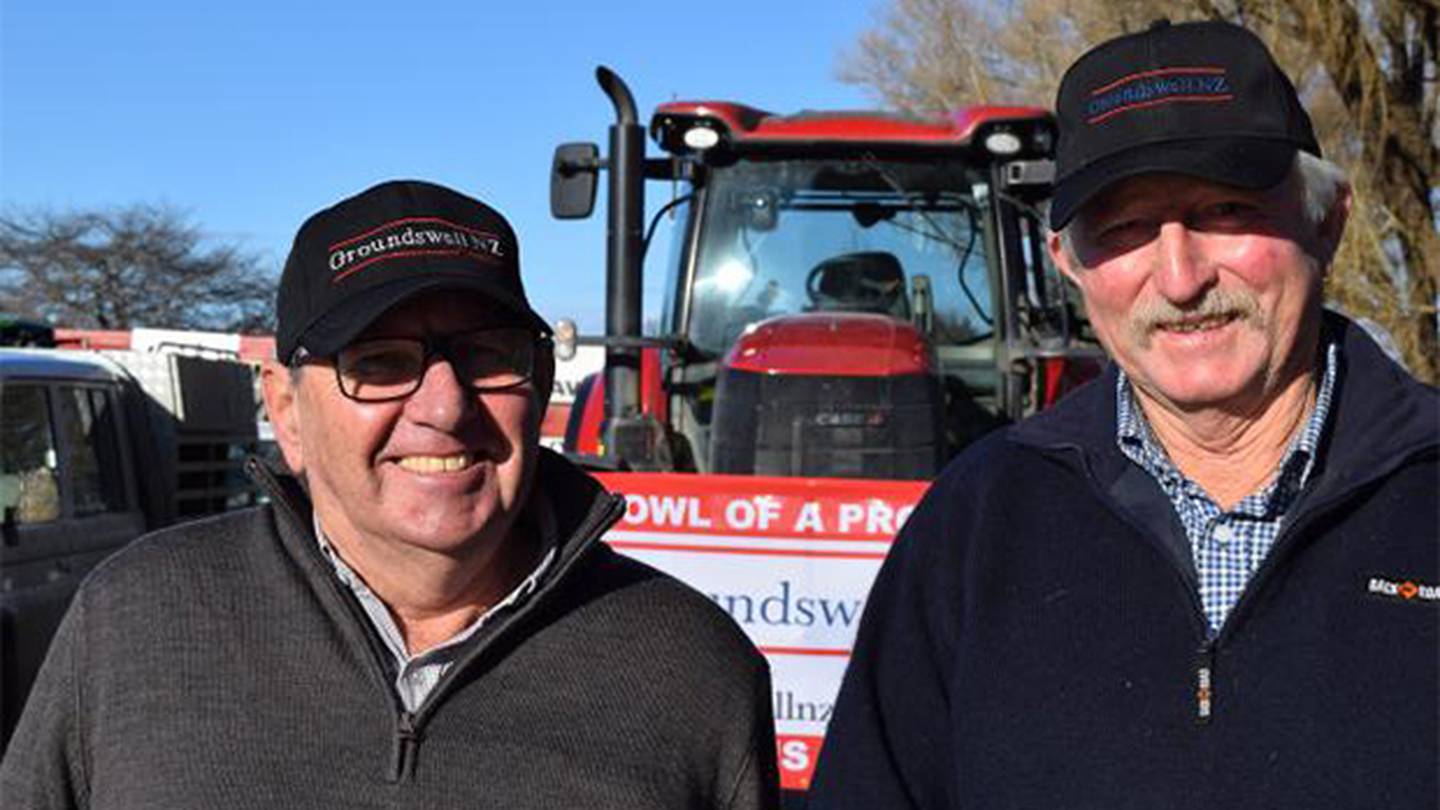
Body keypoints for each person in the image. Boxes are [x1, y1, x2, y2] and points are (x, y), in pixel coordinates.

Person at [808, 19, 1437, 808]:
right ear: (1067, 262)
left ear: (1329, 219)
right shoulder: (977, 526)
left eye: (1225, 210)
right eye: (1128, 228)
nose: (1179, 279)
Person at [0, 180, 779, 809]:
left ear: (539, 388)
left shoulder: (693, 671)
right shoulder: (136, 619)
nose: (444, 407)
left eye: (486, 356)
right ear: (286, 409)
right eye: (378, 362)